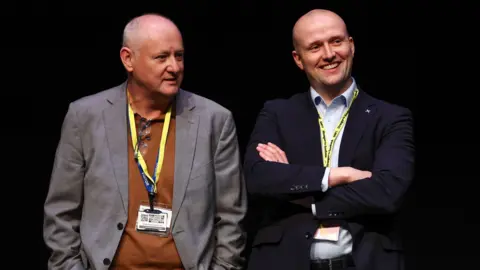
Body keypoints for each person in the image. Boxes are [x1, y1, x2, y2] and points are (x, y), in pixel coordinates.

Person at [43, 13, 246, 270]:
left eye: (179, 56)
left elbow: (231, 216)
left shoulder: (215, 121)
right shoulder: (85, 117)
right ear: (128, 59)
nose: (174, 67)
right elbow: (61, 211)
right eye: (161, 57)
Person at [243, 9, 414, 270]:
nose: (329, 54)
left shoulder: (391, 117)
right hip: (286, 260)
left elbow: (387, 191)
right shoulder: (277, 113)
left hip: (365, 260)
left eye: (336, 41)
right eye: (315, 47)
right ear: (298, 59)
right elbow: (258, 178)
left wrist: (299, 191)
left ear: (351, 45)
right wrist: (338, 175)